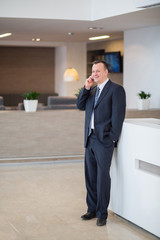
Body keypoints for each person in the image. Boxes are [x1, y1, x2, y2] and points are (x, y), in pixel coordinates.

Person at [77, 60, 126, 226]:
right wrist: (86, 87)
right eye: (93, 71)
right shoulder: (92, 90)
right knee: (90, 176)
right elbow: (79, 105)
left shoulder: (116, 90)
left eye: (98, 71)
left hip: (104, 141)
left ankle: (102, 214)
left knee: (102, 177)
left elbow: (118, 117)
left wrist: (112, 138)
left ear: (106, 72)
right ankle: (91, 209)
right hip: (90, 139)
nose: (94, 74)